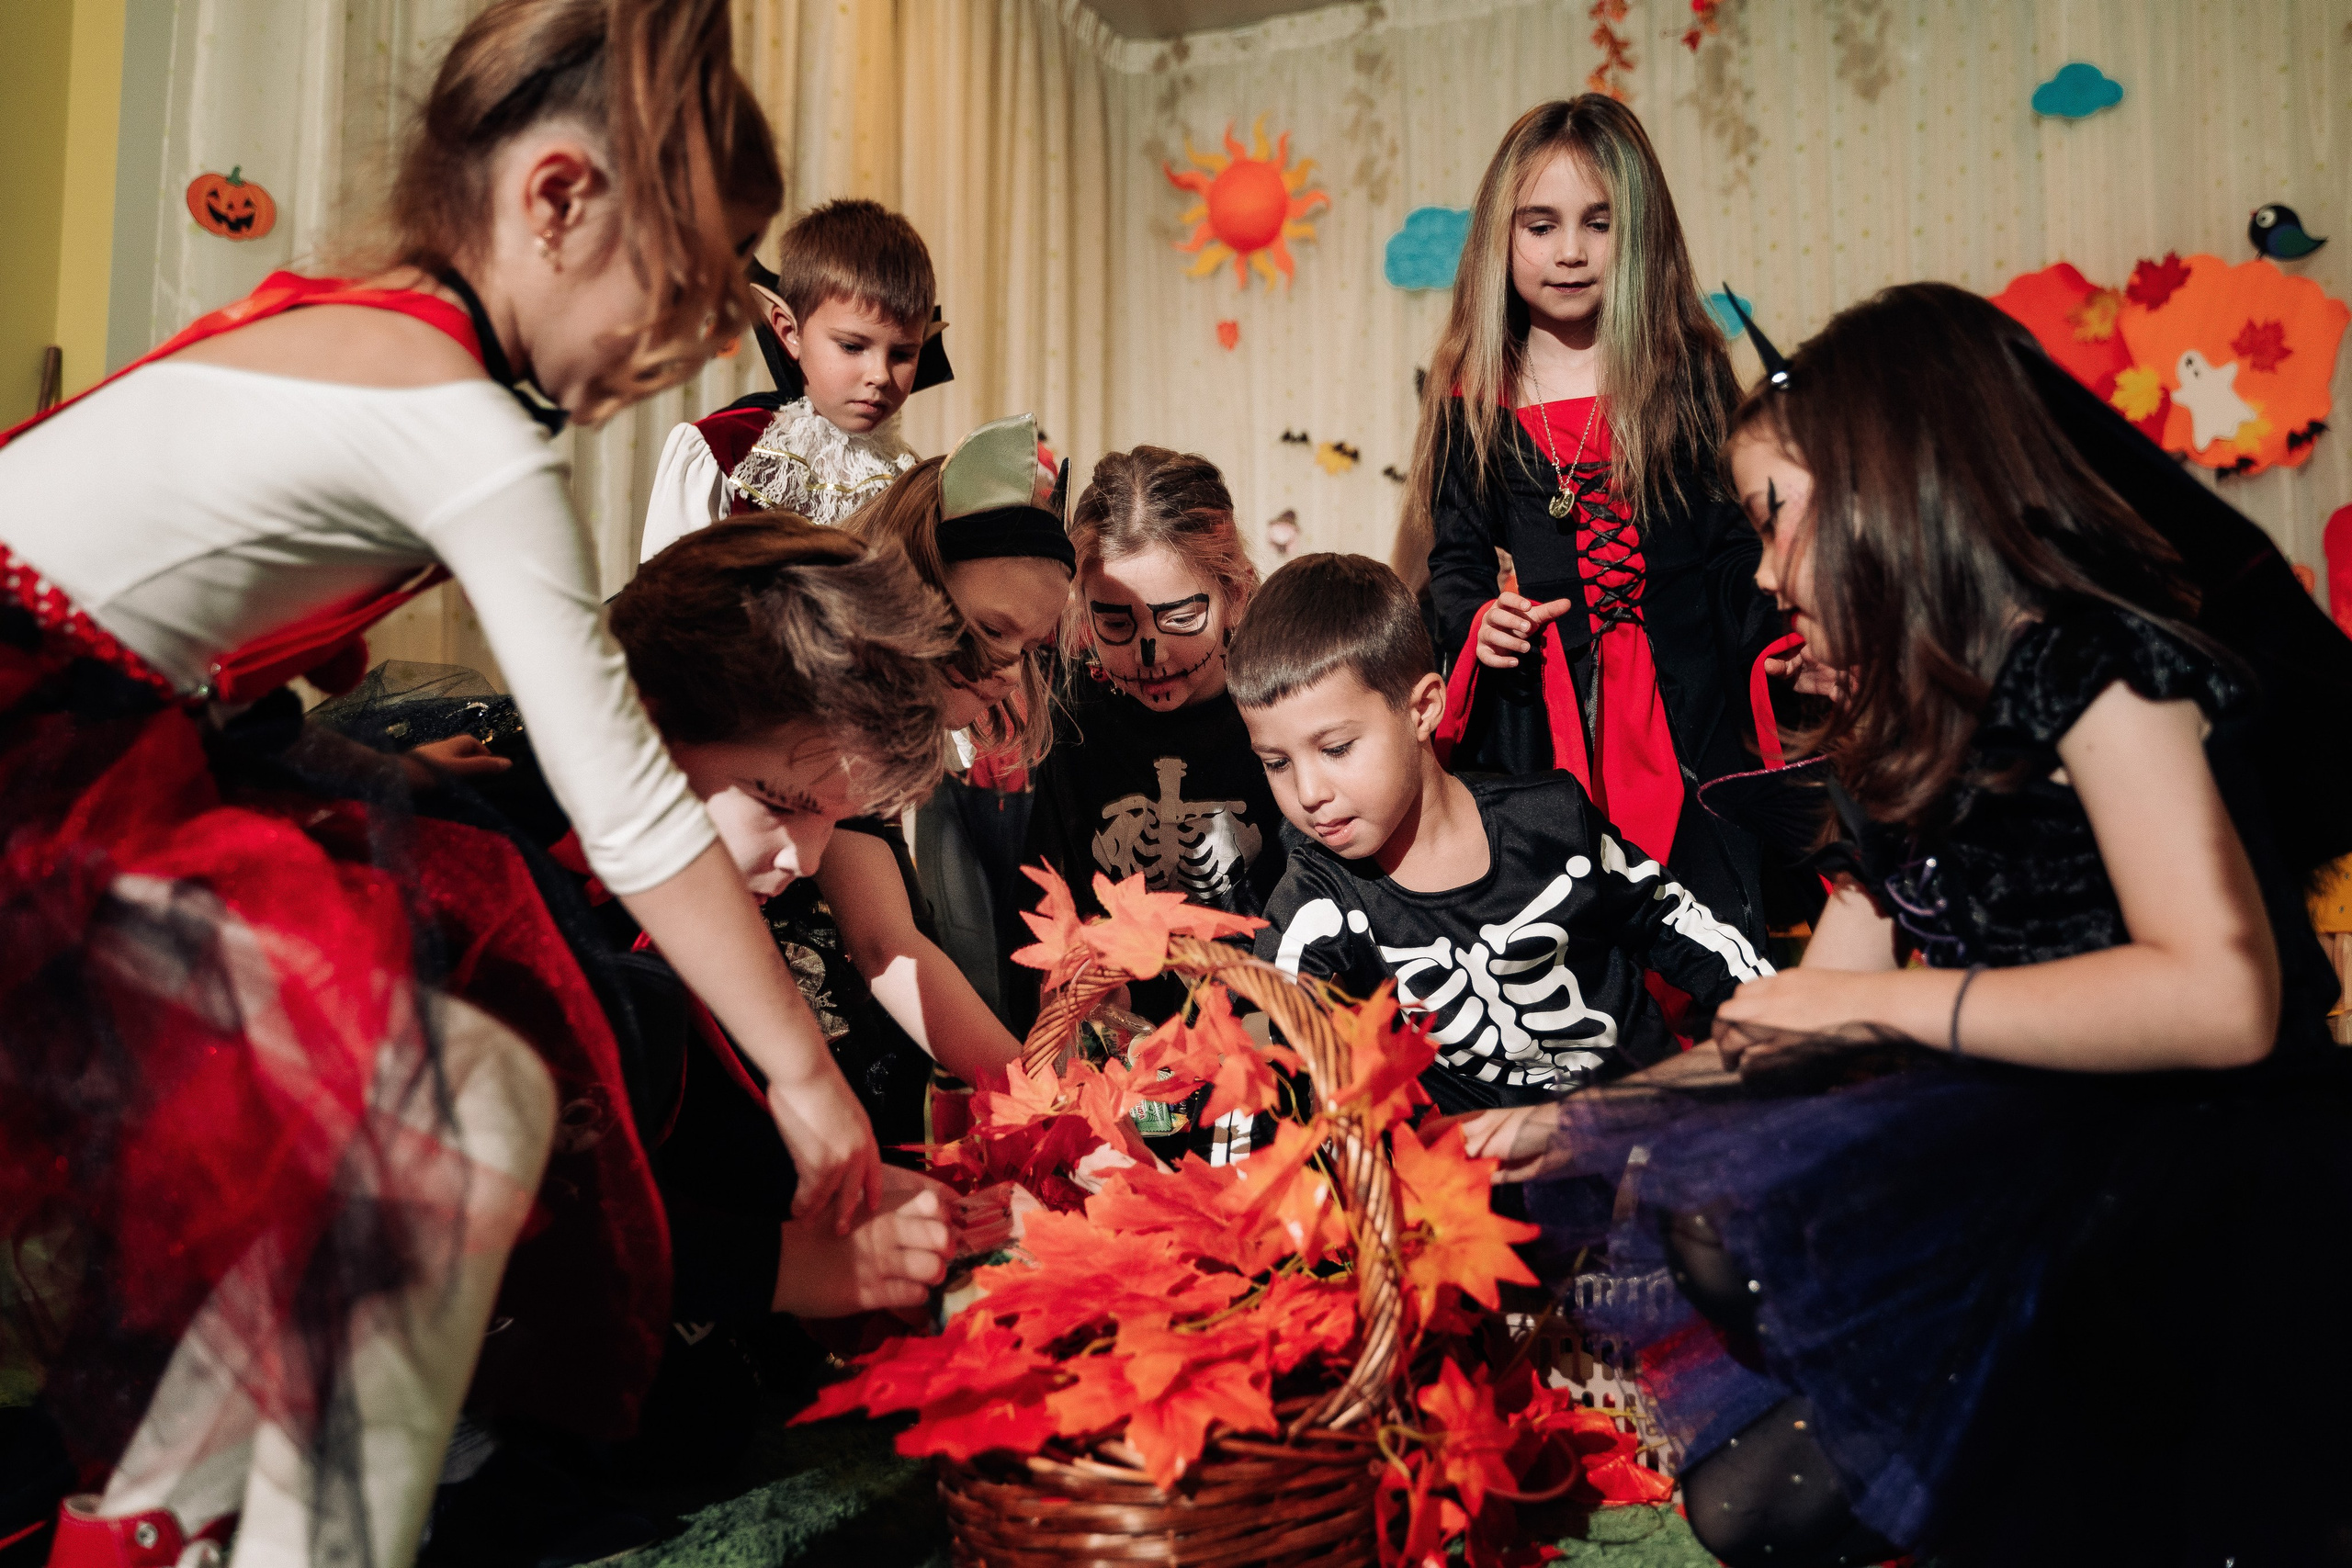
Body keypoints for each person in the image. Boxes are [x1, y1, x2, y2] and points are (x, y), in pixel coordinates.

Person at [0, 3, 884, 1561]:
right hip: (35, 748)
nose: (676, 355)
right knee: (457, 1114)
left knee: (455, 1103)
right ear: (555, 200)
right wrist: (808, 1080)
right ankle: (226, 1530)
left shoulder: (355, 323)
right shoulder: (467, 423)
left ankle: (158, 1522)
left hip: (64, 721)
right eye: (673, 302)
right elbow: (632, 811)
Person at [1466, 284, 2352, 1566]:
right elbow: (1795, 1017)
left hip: (2214, 1178)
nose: (1766, 574)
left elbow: (2224, 997)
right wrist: (1588, 1113)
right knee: (1744, 1482)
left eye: (1775, 520)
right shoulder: (1905, 746)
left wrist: (1876, 1005)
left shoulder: (2091, 665)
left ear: (1888, 493)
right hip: (2043, 1156)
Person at [1391, 96, 1789, 953]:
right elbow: (1454, 563)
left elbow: (1732, 548)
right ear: (1502, 238)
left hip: (1688, 710)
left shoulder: (1688, 374)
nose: (1569, 251)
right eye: (1541, 225)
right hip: (1551, 718)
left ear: (1638, 232)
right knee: (1575, 931)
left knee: (1709, 928)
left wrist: (1775, 641)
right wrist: (1477, 622)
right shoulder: (1472, 395)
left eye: (1597, 223)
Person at [1229, 553, 1769, 1116]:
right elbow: (1266, 1068)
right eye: (1276, 763)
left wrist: (1777, 1023)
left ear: (1424, 709)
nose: (1309, 792)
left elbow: (1678, 925)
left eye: (1336, 748)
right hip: (1479, 1178)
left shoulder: (1552, 823)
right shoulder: (1314, 906)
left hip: (1650, 1122)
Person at [1018, 448, 1279, 1014]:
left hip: (1270, 1021)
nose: (1151, 654)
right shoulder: (1072, 717)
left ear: (1233, 592)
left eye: (1182, 618)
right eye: (1116, 623)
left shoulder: (1280, 704)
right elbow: (1048, 891)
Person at [639, 198, 949, 556]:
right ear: (790, 333)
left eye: (902, 354)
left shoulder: (905, 473)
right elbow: (665, 600)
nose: (880, 375)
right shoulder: (723, 449)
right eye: (851, 346)